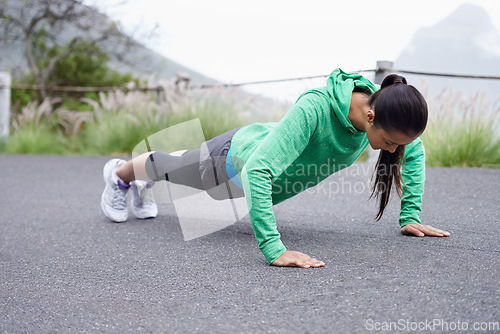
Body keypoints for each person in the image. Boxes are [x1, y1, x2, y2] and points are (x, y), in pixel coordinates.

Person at [100, 68, 450, 268]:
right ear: (370, 116)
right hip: (235, 161)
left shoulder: (385, 113)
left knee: (183, 172)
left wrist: (410, 216)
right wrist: (274, 249)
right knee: (172, 169)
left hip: (255, 173)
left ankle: (151, 176)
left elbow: (414, 153)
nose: (393, 150)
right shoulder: (316, 108)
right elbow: (257, 171)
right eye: (390, 142)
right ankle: (118, 176)